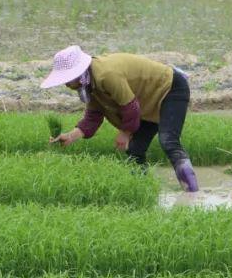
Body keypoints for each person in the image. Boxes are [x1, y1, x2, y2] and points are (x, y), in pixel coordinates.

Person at [40, 45, 199, 192]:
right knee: (135, 150)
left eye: (67, 79)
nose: (66, 84)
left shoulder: (106, 75)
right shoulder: (90, 83)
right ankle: (143, 191)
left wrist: (125, 131)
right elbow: (94, 116)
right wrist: (70, 136)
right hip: (145, 102)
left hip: (169, 88)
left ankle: (192, 192)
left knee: (168, 141)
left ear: (78, 73)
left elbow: (130, 106)